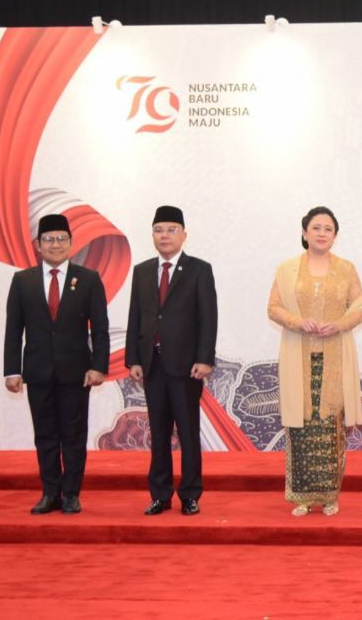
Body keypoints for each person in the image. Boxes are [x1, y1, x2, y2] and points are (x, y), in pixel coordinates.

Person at [3, 213, 109, 515]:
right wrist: (12, 370)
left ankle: (72, 493)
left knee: (73, 434)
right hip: (37, 372)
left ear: (72, 243)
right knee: (45, 434)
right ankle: (50, 492)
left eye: (61, 238)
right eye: (49, 239)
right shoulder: (22, 280)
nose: (55, 244)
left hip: (77, 372)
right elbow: (14, 329)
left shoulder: (88, 279)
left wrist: (98, 366)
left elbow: (100, 327)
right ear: (38, 245)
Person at [268, 207, 362, 517]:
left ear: (335, 236)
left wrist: (338, 324)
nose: (322, 233)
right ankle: (301, 496)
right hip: (299, 355)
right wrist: (298, 322)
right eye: (316, 227)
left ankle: (329, 496)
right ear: (304, 233)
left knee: (329, 427)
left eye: (328, 228)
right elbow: (273, 308)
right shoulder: (287, 270)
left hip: (334, 356)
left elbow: (361, 308)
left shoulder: (346, 269)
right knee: (302, 428)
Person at [125, 206, 218, 516]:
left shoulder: (198, 270)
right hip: (152, 365)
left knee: (189, 433)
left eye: (171, 229)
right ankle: (160, 495)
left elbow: (208, 317)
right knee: (159, 432)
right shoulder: (142, 270)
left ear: (183, 235)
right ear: (152, 235)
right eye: (158, 230)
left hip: (186, 367)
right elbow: (135, 317)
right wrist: (133, 359)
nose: (164, 235)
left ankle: (190, 494)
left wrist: (204, 358)